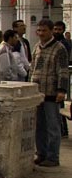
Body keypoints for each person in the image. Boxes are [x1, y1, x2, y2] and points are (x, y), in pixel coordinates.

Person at [29, 19, 68, 168]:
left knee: (53, 126)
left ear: (51, 31)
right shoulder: (36, 48)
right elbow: (32, 69)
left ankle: (53, 157)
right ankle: (41, 153)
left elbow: (63, 71)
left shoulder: (59, 48)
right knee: (39, 126)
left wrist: (62, 90)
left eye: (44, 30)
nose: (41, 33)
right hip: (37, 93)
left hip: (52, 93)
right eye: (39, 30)